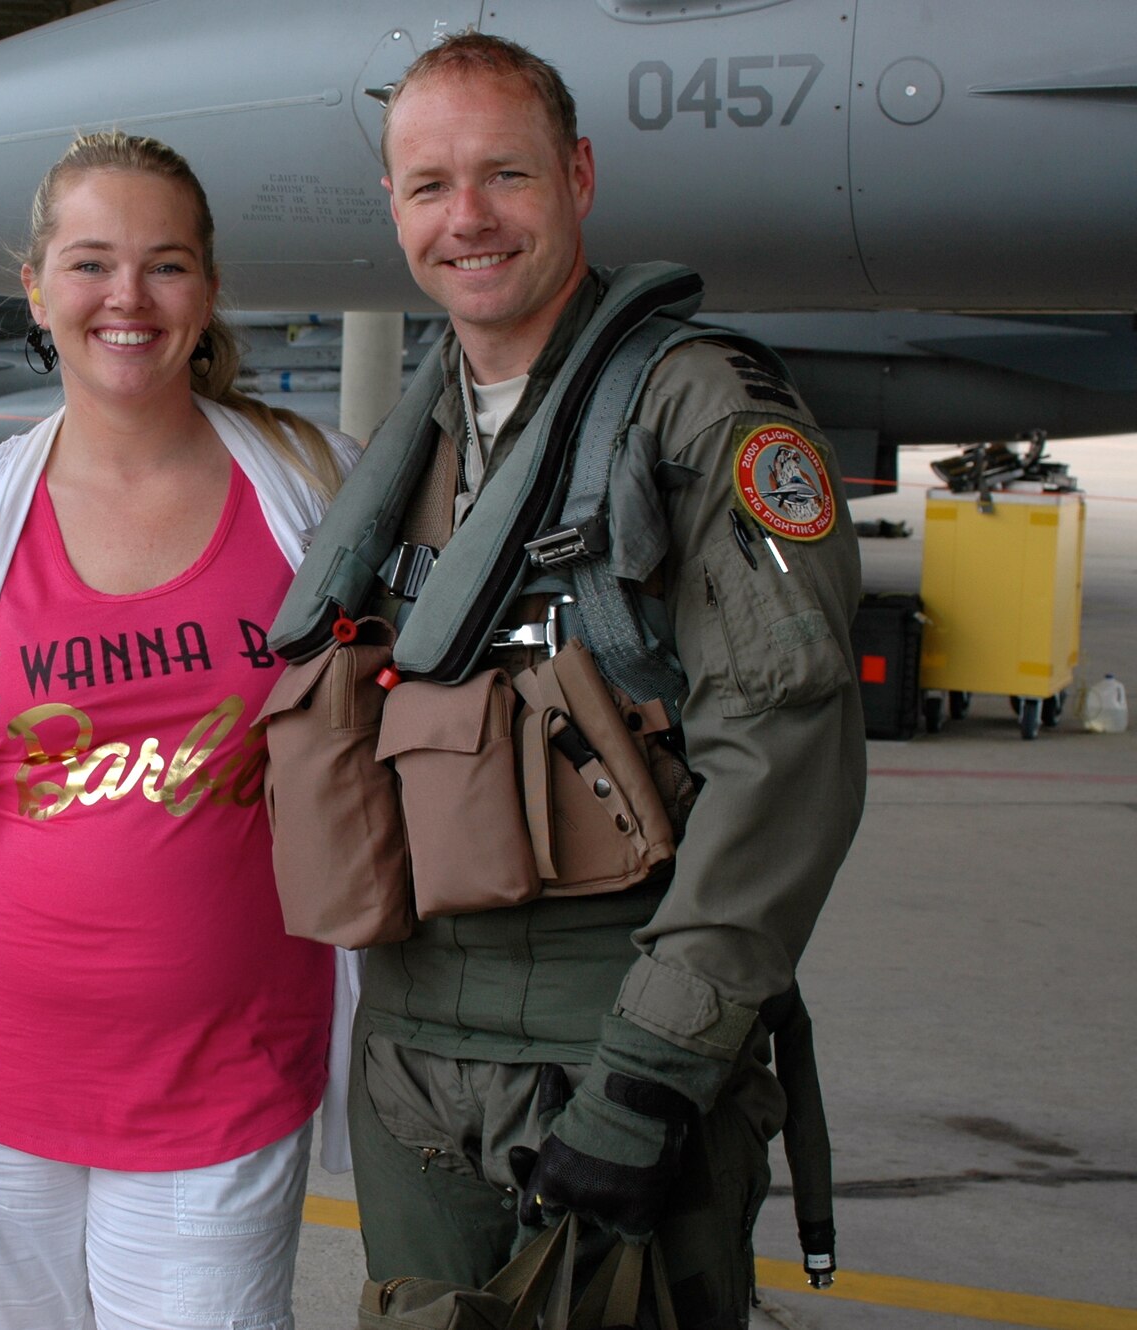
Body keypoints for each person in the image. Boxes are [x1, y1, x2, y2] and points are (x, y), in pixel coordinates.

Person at [265, 31, 865, 1322]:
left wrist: (656, 1070)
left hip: (614, 1042)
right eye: (429, 186)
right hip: (415, 1054)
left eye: (506, 176)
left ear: (579, 175)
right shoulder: (401, 451)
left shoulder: (698, 414)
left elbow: (785, 753)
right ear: (394, 206)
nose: (467, 218)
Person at [0, 130, 359, 1330]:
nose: (126, 298)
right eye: (89, 263)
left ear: (208, 288)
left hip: (225, 1074)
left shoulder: (313, 488)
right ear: (33, 284)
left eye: (164, 265)